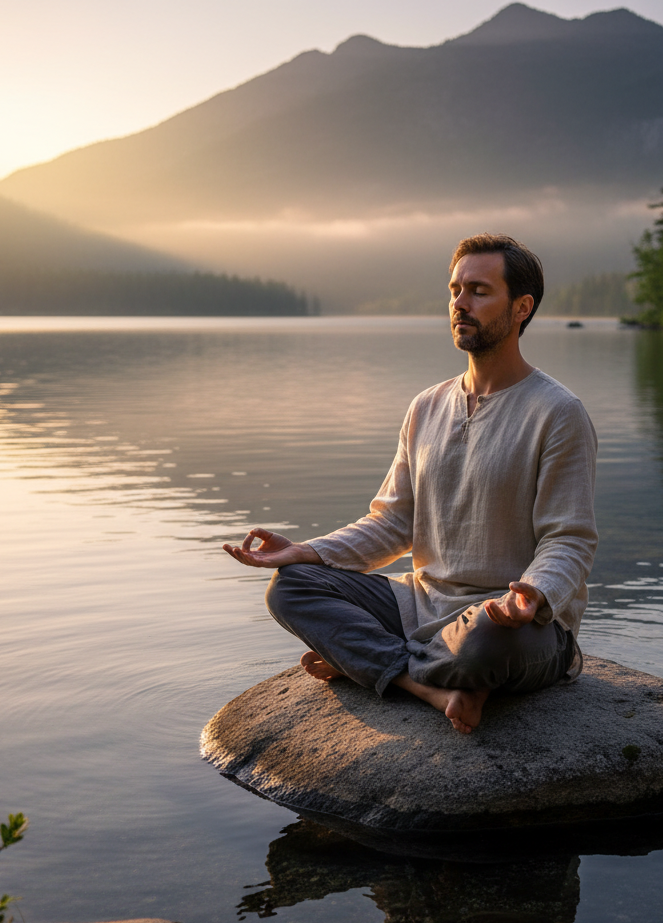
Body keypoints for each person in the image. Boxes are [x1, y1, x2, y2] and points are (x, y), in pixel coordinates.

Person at [223, 233, 598, 734]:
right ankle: (423, 683)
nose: (460, 303)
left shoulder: (559, 413)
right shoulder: (426, 406)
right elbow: (393, 524)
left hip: (505, 619)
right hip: (419, 604)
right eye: (454, 289)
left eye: (479, 291)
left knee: (483, 643)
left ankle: (369, 662)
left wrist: (532, 592)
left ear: (521, 307)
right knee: (289, 588)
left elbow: (568, 538)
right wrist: (306, 552)